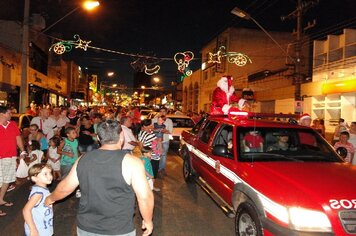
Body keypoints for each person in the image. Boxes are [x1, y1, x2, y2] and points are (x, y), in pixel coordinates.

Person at [45, 120, 154, 236]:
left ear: (98, 137)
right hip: (119, 228)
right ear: (121, 136)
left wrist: (50, 199)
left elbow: (64, 188)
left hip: (87, 227)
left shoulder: (83, 159)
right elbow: (145, 197)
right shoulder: (132, 162)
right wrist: (147, 221)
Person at [0, 106, 27, 217]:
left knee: (7, 179)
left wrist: (22, 150)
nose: (11, 115)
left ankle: (0, 199)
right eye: (9, 113)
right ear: (2, 114)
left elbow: (17, 138)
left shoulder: (12, 124)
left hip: (11, 156)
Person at [23, 163, 54, 236]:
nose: (49, 176)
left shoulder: (42, 189)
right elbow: (26, 210)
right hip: (38, 230)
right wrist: (33, 230)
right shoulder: (38, 193)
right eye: (45, 174)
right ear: (34, 178)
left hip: (43, 226)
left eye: (50, 173)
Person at [152, 107, 173, 176]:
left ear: (166, 112)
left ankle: (161, 169)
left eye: (164, 111)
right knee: (156, 155)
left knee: (163, 155)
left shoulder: (169, 121)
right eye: (161, 111)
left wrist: (163, 130)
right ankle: (155, 169)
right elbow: (151, 129)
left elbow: (170, 131)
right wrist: (157, 130)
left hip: (165, 140)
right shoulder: (154, 120)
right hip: (155, 140)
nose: (162, 113)